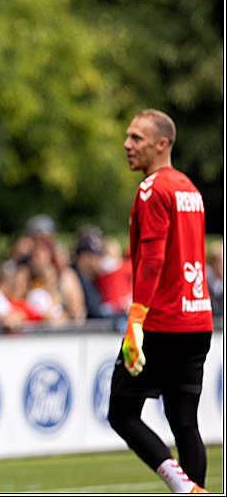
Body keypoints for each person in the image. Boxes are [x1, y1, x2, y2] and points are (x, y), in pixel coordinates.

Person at [108, 109, 213, 493]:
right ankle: (196, 490)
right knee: (185, 422)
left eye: (136, 138)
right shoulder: (189, 189)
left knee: (121, 413)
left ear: (161, 144)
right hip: (197, 320)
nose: (127, 144)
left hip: (162, 321)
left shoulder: (153, 189)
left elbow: (153, 259)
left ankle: (184, 487)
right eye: (128, 136)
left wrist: (136, 319)